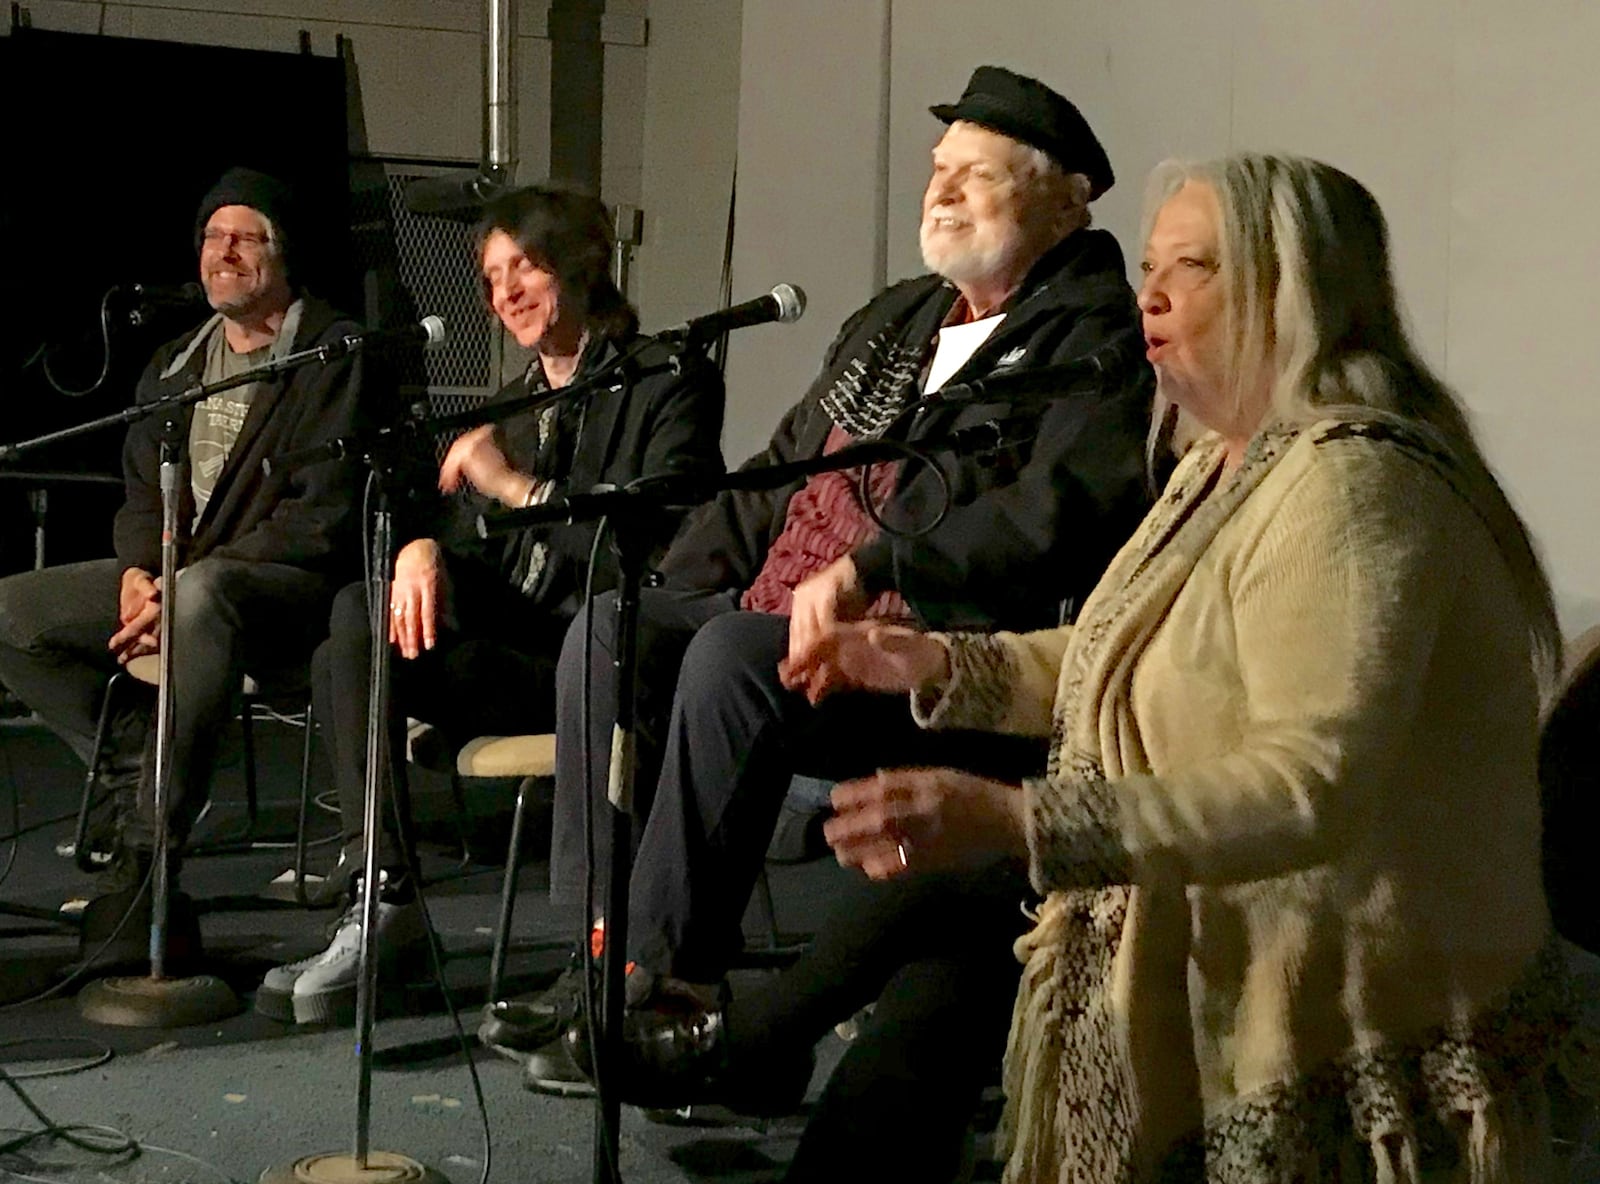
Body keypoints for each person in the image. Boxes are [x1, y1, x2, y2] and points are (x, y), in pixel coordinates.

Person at [634, 152, 1576, 1184]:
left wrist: (1027, 823)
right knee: (942, 984)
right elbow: (1106, 660)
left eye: (1195, 268)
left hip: (1348, 919)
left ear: (1296, 289)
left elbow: (1311, 789)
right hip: (1230, 862)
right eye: (1146, 268)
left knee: (974, 894)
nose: (1153, 298)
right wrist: (930, 663)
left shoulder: (1351, 487)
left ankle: (743, 1046)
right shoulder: (1220, 466)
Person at [496, 65, 1156, 1083]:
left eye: (974, 175)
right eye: (939, 171)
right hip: (780, 614)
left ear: (1064, 199)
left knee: (729, 656)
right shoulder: (898, 318)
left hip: (931, 652)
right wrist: (677, 574)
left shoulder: (1091, 340)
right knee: (612, 626)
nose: (940, 191)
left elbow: (1050, 517)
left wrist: (876, 563)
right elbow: (779, 473)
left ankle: (676, 989)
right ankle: (602, 957)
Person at [255, 185, 725, 1024]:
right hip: (511, 653)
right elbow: (475, 546)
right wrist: (423, 548)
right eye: (492, 275)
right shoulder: (511, 403)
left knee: (360, 635)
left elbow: (653, 551)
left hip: (599, 656)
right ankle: (384, 898)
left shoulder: (666, 379)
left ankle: (539, 937)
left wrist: (513, 486)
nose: (505, 292)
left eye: (526, 267)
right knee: (353, 630)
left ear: (582, 266)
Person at [0, 167, 376, 965]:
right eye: (213, 237)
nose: (224, 252)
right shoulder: (173, 365)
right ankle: (131, 753)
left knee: (203, 594)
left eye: (246, 237)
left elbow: (322, 516)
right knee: (11, 614)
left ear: (284, 256)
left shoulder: (331, 353)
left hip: (285, 594)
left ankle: (152, 847)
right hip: (174, 578)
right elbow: (141, 490)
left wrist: (175, 588)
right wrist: (140, 573)